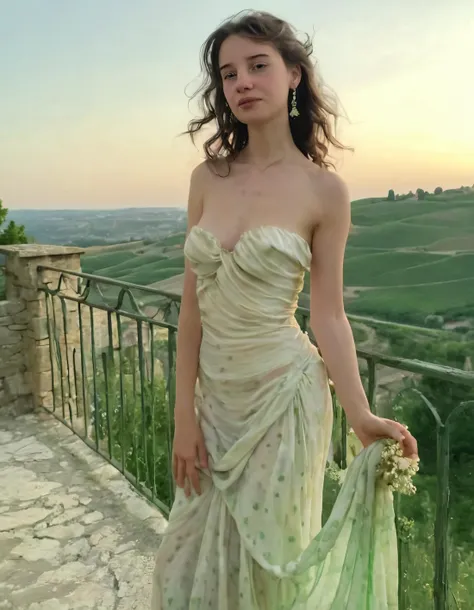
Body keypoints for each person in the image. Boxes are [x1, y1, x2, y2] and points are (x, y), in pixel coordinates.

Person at [152, 10, 418, 609]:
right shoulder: (206, 177)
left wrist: (360, 415)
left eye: (257, 66)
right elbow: (191, 310)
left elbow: (328, 316)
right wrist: (183, 417)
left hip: (283, 401)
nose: (241, 82)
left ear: (294, 75)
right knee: (182, 559)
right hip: (214, 403)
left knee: (272, 567)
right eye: (227, 74)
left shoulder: (325, 192)